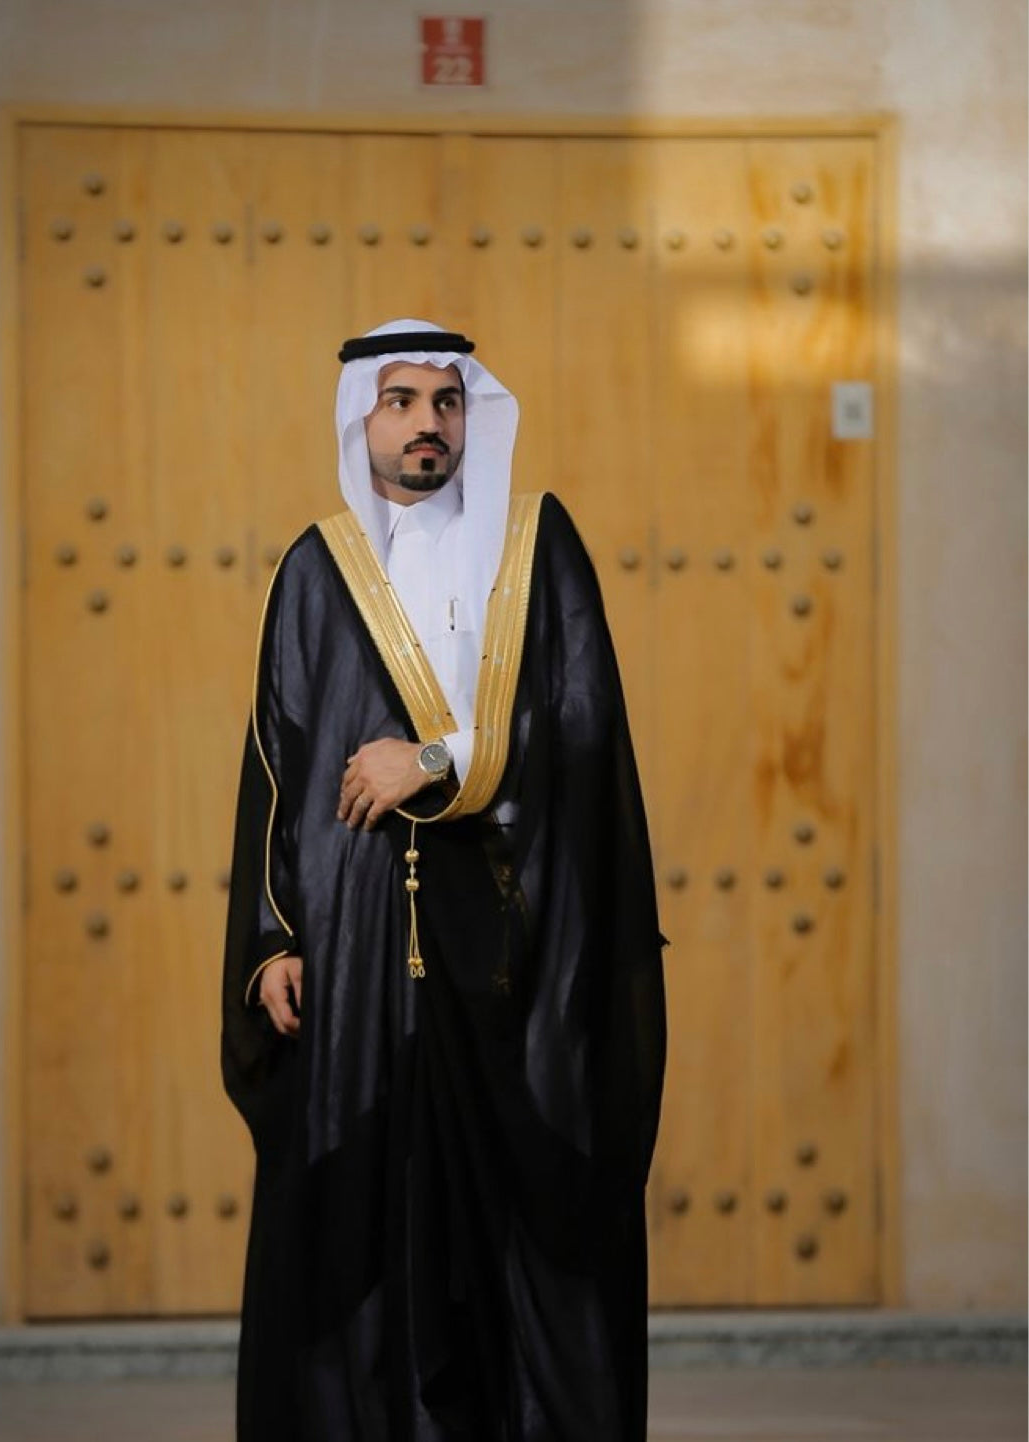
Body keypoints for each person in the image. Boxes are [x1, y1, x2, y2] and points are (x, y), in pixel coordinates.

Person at [221, 318, 667, 1441]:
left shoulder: (533, 543)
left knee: (509, 1222)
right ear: (362, 417)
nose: (428, 424)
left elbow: (579, 723)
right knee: (370, 1218)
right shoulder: (316, 569)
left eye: (447, 403)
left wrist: (436, 758)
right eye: (403, 401)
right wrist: (274, 939)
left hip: (511, 950)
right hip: (362, 957)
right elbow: (276, 761)